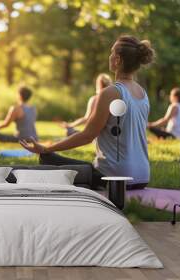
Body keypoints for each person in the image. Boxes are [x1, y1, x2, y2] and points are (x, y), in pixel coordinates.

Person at [20, 35, 155, 190]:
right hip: (143, 176)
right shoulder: (143, 94)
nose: (109, 56)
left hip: (114, 178)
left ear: (117, 60)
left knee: (47, 158)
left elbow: (87, 136)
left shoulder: (109, 93)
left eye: (111, 52)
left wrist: (46, 149)